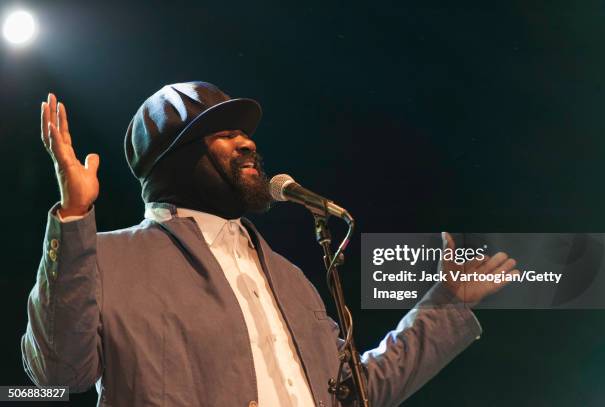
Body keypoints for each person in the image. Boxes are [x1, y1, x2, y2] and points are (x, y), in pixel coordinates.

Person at [22, 82, 517, 407]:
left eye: (245, 132)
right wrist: (73, 218)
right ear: (171, 161)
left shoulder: (291, 279)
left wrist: (446, 303)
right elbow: (56, 375)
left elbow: (354, 395)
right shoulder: (106, 259)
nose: (247, 143)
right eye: (221, 135)